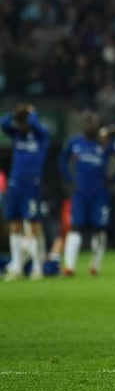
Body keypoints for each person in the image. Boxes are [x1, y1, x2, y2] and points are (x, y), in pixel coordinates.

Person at [58, 111, 115, 276]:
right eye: (87, 123)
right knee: (75, 227)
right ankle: (69, 266)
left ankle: (94, 266)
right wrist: (69, 181)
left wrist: (113, 179)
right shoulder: (74, 142)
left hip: (99, 193)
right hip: (80, 193)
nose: (90, 126)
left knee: (99, 229)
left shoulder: (105, 143)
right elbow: (62, 160)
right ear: (83, 126)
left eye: (93, 123)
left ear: (98, 126)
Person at [1, 103, 50, 281]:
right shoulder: (16, 133)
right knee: (14, 225)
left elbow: (36, 125)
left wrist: (31, 113)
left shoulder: (41, 135)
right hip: (15, 184)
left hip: (31, 185)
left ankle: (37, 268)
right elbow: (3, 122)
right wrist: (16, 113)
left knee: (34, 225)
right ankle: (17, 266)